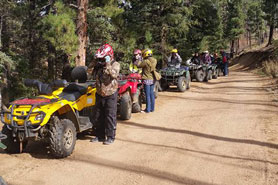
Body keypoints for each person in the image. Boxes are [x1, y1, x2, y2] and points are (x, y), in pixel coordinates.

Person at [89, 43, 120, 145]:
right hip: (99, 93)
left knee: (110, 116)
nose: (101, 60)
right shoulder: (98, 65)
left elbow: (114, 74)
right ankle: (100, 136)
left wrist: (107, 64)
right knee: (98, 115)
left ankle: (111, 137)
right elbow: (88, 72)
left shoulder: (115, 64)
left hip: (110, 93)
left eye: (103, 58)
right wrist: (94, 61)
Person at [136, 49, 157, 113]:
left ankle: (147, 110)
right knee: (151, 95)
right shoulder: (154, 60)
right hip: (152, 79)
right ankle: (152, 109)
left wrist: (139, 59)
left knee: (147, 95)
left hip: (147, 79)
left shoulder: (146, 61)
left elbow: (138, 65)